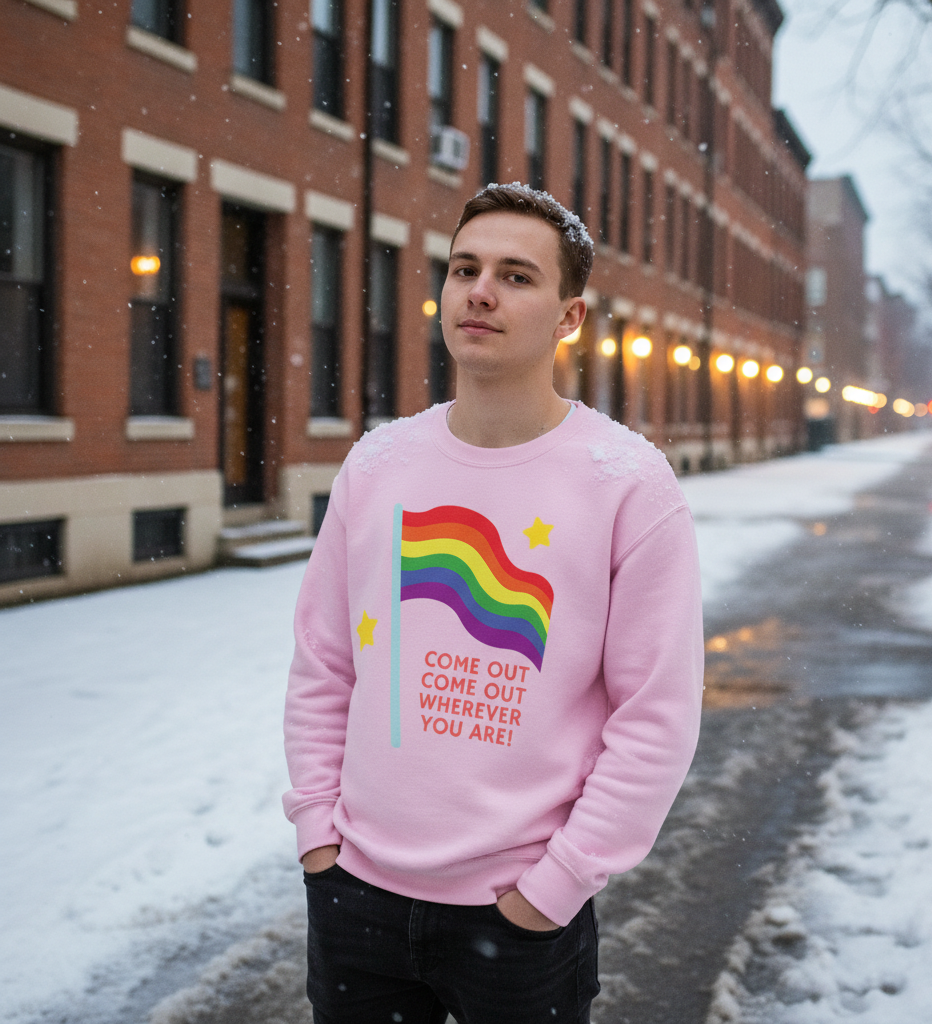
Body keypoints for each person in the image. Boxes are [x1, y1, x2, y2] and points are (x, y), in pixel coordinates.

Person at [283, 183, 704, 1024]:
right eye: (464, 268)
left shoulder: (626, 484)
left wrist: (557, 885)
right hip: (355, 897)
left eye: (516, 275)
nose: (480, 290)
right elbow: (323, 664)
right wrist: (318, 835)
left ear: (569, 317)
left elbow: (655, 715)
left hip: (517, 917)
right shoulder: (377, 465)